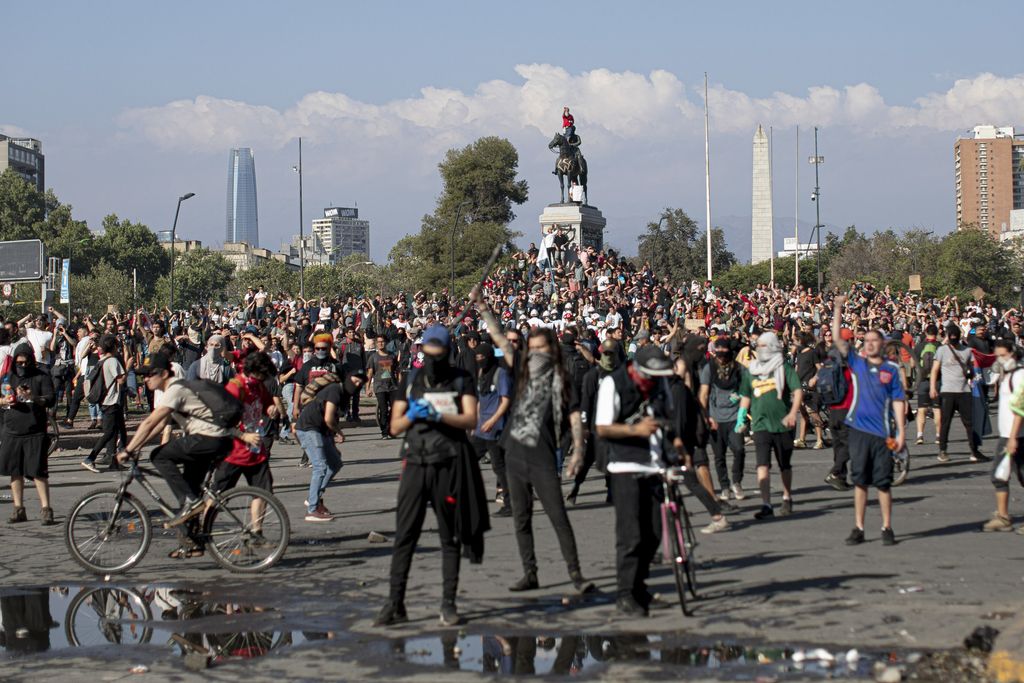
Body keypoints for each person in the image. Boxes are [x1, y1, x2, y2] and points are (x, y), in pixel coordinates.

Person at [375, 325, 480, 628]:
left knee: (450, 536)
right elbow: (394, 427)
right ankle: (395, 603)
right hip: (415, 464)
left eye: (437, 352)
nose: (431, 358)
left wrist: (439, 414)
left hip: (448, 464)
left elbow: (471, 419)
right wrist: (413, 414)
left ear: (447, 352)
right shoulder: (410, 381)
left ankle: (448, 604)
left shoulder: (462, 380)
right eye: (426, 351)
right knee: (405, 535)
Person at [115, 353, 262, 558]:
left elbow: (149, 422)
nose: (145, 379)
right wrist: (137, 446)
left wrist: (128, 450)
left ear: (164, 373)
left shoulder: (175, 389)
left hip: (208, 439)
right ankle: (192, 542)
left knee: (159, 456)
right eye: (142, 376)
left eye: (149, 375)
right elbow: (159, 425)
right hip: (213, 440)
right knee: (189, 490)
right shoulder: (172, 390)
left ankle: (192, 504)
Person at [498, 327, 593, 595]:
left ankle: (575, 574)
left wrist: (577, 451)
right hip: (514, 454)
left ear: (552, 349)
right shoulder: (523, 371)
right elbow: (503, 344)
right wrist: (481, 307)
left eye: (542, 347)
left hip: (542, 457)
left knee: (557, 516)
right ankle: (530, 573)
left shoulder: (562, 380)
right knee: (521, 518)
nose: (537, 352)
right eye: (533, 347)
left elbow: (574, 416)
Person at [594, 345, 678, 616]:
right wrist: (635, 429)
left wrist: (677, 450)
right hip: (625, 465)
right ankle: (625, 593)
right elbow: (603, 427)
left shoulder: (661, 382)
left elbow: (670, 417)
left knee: (654, 532)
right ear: (637, 368)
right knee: (630, 535)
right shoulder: (613, 383)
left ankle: (639, 585)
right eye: (650, 375)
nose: (654, 379)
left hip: (656, 464)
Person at [831, 295, 906, 546]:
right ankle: (859, 527)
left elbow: (898, 401)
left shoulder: (892, 370)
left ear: (883, 344)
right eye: (867, 340)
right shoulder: (858, 363)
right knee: (860, 481)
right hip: (858, 430)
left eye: (875, 340)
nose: (871, 343)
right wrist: (839, 308)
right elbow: (838, 339)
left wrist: (901, 434)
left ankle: (887, 527)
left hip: (883, 433)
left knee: (883, 483)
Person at [736, 330, 803, 519]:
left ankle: (787, 496)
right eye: (759, 346)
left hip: (782, 423)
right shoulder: (752, 370)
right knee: (762, 465)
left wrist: (792, 413)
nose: (760, 349)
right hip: (759, 424)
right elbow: (746, 396)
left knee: (784, 465)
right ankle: (766, 504)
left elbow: (797, 391)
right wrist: (741, 417)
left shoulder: (784, 368)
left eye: (764, 345)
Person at [294, 368, 364, 522]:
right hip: (308, 428)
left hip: (320, 430)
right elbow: (328, 418)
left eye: (360, 382)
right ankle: (312, 510)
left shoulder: (344, 396)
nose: (357, 383)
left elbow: (329, 420)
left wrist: (332, 440)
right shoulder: (335, 389)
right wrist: (339, 432)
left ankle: (314, 497)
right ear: (348, 378)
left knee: (335, 463)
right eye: (355, 379)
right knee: (320, 467)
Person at [0, 346, 56, 525]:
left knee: (38, 471)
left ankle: (46, 509)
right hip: (12, 430)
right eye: (18, 363)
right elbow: (1, 398)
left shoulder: (41, 376)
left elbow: (50, 398)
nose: (22, 366)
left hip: (35, 430)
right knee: (15, 471)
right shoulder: (8, 377)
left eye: (25, 362)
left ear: (31, 361)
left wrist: (34, 397)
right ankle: (18, 509)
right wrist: (5, 400)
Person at [214, 351, 278, 497]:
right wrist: (243, 436)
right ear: (253, 371)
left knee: (264, 494)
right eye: (262, 376)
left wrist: (270, 409)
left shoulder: (259, 386)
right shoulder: (235, 387)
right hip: (233, 452)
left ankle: (257, 521)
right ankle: (204, 519)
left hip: (255, 451)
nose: (263, 379)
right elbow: (220, 422)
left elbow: (268, 403)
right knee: (218, 498)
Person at [982, 339, 1024, 532]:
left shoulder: (1020, 376)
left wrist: (1013, 437)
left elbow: (1020, 410)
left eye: (1003, 356)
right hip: (1007, 435)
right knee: (999, 475)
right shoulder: (1006, 376)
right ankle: (1003, 516)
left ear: (1013, 355)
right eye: (997, 356)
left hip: (1017, 436)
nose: (1000, 359)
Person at [698, 337, 747, 500]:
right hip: (715, 418)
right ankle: (725, 486)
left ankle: (737, 482)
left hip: (735, 417)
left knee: (739, 449)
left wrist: (740, 403)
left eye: (724, 354)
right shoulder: (709, 369)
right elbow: (703, 394)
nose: (721, 358)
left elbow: (747, 391)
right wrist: (705, 417)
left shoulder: (739, 369)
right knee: (719, 456)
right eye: (718, 354)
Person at [930, 324, 985, 462]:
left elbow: (973, 370)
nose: (953, 340)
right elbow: (935, 370)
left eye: (955, 338)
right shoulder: (942, 350)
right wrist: (933, 387)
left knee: (969, 423)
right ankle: (942, 451)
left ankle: (974, 450)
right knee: (945, 423)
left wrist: (971, 378)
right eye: (952, 337)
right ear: (948, 337)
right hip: (947, 391)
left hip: (964, 391)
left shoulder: (967, 351)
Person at [470, 341, 513, 515]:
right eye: (477, 357)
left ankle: (510, 502)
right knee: (468, 459)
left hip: (496, 428)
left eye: (482, 357)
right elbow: (481, 400)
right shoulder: (482, 373)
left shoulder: (500, 374)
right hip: (482, 428)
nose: (480, 360)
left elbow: (505, 401)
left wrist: (493, 420)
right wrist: (476, 422)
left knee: (499, 466)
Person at [80, 334, 127, 473]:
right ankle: (90, 458)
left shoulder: (102, 360)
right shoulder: (112, 361)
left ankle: (114, 461)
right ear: (113, 347)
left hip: (108, 401)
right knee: (109, 432)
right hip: (111, 401)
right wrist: (128, 365)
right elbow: (121, 380)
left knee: (119, 430)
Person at [913, 324, 942, 445]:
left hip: (923, 380)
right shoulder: (940, 346)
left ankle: (920, 435)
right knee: (937, 409)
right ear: (937, 333)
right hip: (937, 381)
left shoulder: (919, 346)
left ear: (925, 332)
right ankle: (938, 436)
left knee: (921, 410)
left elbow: (912, 364)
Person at [367, 335, 398, 440]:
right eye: (378, 342)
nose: (380, 343)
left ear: (386, 342)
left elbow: (397, 371)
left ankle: (391, 429)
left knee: (394, 410)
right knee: (383, 410)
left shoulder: (392, 356)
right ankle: (384, 432)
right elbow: (370, 373)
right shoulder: (373, 357)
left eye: (382, 341)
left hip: (392, 386)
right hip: (380, 387)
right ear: (376, 343)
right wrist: (368, 388)